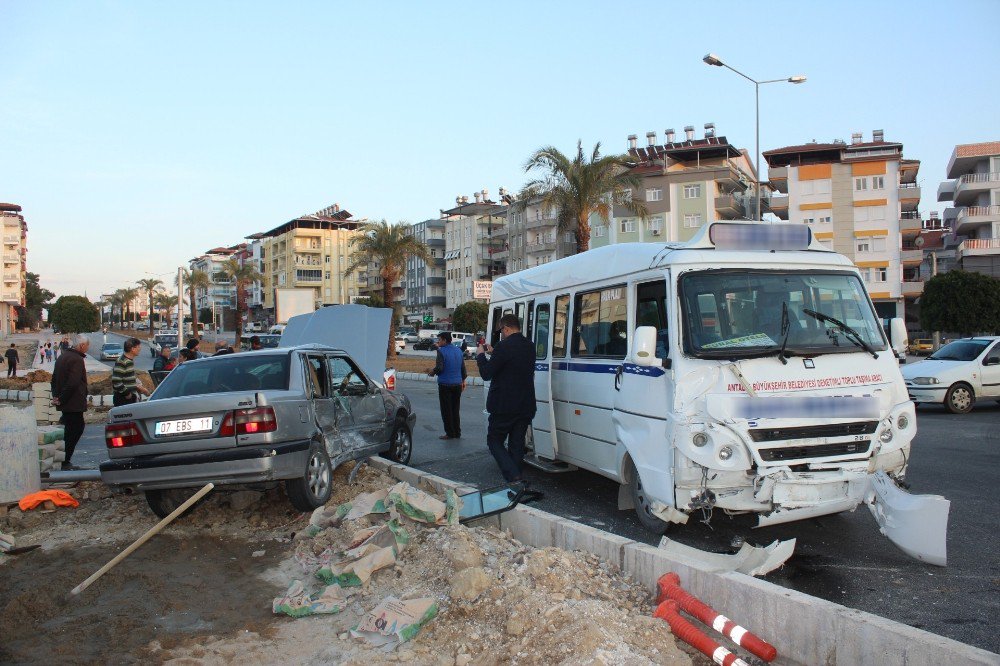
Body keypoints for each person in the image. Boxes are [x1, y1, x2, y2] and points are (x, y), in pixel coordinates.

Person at [476, 314, 537, 483]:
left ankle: (514, 476)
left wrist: (481, 355)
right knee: (516, 444)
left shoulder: (504, 347)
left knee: (494, 441)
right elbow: (514, 364)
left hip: (504, 406)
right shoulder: (529, 346)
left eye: (501, 330)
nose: (501, 334)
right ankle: (516, 484)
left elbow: (486, 373)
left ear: (506, 328)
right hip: (525, 405)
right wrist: (495, 353)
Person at [51, 334, 90, 470]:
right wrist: (61, 398)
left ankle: (64, 460)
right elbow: (73, 383)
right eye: (87, 345)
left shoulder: (63, 357)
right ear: (81, 346)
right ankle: (65, 461)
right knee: (75, 429)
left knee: (70, 430)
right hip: (73, 403)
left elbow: (54, 379)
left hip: (66, 402)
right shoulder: (76, 360)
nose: (88, 348)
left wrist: (56, 396)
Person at [427, 331, 467, 440]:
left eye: (439, 340)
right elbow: (463, 368)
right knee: (455, 409)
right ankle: (457, 432)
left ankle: (449, 433)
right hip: (457, 384)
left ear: (445, 340)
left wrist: (432, 372)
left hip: (445, 384)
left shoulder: (441, 351)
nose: (438, 342)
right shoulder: (458, 350)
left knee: (446, 410)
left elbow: (440, 368)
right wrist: (463, 380)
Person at [111, 337, 150, 406]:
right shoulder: (122, 361)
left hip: (129, 397)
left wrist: (139, 388)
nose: (140, 349)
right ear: (132, 349)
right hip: (123, 399)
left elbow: (128, 379)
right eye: (138, 347)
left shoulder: (129, 361)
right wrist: (127, 393)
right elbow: (116, 381)